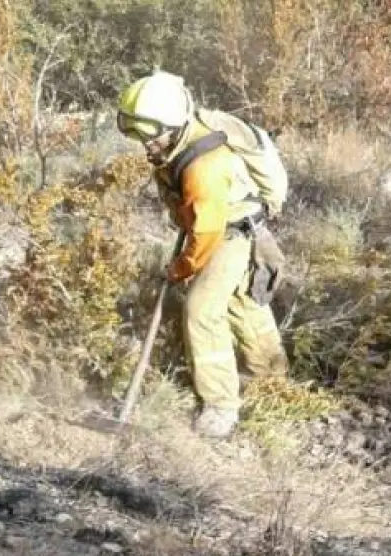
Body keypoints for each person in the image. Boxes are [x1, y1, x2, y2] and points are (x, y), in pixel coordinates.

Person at [116, 70, 290, 439]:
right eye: (136, 134)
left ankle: (220, 405)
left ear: (172, 125)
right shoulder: (177, 142)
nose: (144, 144)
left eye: (148, 134)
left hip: (231, 233)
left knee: (201, 310)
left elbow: (206, 234)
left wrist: (180, 268)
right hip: (234, 226)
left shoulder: (204, 167)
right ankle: (272, 377)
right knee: (242, 302)